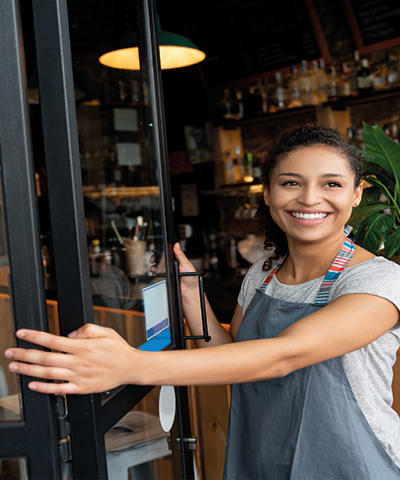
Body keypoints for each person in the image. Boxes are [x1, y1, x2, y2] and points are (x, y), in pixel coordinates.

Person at [5, 123, 400, 479]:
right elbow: (236, 357)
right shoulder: (263, 272)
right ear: (267, 193)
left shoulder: (377, 279)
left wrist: (131, 365)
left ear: (356, 194)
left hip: (351, 463)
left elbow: (284, 356)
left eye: (331, 184)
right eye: (291, 182)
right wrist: (192, 297)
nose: (310, 198)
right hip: (260, 457)